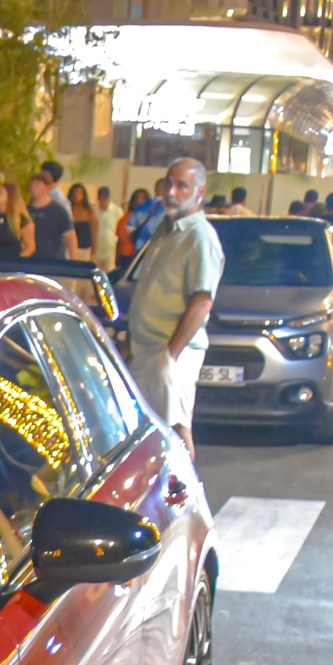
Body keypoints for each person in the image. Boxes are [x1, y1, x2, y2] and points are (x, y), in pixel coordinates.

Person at [123, 158, 223, 458]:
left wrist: (171, 354)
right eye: (169, 183)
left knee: (177, 437)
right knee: (146, 437)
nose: (171, 191)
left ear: (199, 192)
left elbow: (202, 301)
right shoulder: (166, 230)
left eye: (182, 186)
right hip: (146, 350)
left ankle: (189, 503)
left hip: (169, 354)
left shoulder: (199, 237)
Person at [26, 171, 75, 261]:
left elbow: (70, 237)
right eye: (32, 184)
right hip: (30, 262)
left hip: (53, 262)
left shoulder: (59, 211)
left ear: (48, 187)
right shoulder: (26, 210)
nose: (33, 188)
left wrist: (73, 261)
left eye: (37, 185)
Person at [0, 181, 34, 258]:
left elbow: (30, 247)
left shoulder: (22, 220)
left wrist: (17, 262)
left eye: (0, 193)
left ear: (9, 196)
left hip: (12, 264)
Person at [116, 187, 153, 266]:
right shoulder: (125, 219)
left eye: (143, 199)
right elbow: (121, 239)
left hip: (145, 258)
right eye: (137, 199)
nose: (139, 202)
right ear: (133, 202)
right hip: (127, 257)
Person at [68, 182, 97, 261]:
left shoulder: (89, 213)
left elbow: (94, 232)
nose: (77, 195)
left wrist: (94, 249)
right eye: (75, 193)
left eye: (80, 193)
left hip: (85, 250)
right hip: (69, 249)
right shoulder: (67, 211)